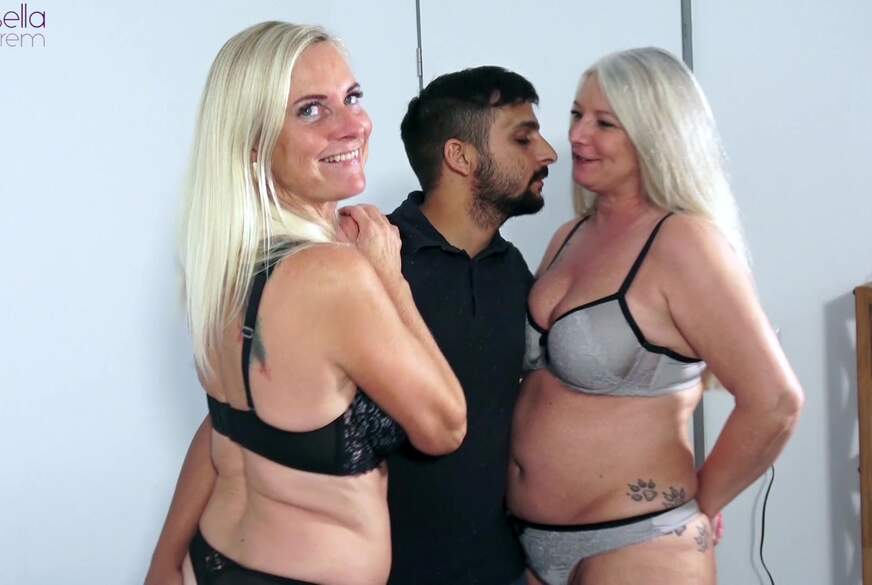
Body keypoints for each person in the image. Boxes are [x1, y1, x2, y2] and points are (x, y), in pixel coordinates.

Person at [154, 21, 466, 585]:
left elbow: (224, 428)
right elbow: (444, 426)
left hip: (211, 561)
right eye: (311, 110)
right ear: (254, 143)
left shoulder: (223, 266)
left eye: (352, 98)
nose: (353, 125)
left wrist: (164, 562)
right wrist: (389, 277)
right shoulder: (332, 276)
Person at [507, 47, 804, 585]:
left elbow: (776, 401)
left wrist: (703, 502)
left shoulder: (683, 242)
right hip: (530, 546)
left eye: (604, 123)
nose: (577, 136)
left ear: (655, 133)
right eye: (576, 114)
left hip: (639, 543)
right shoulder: (569, 236)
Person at [386, 67, 557, 585]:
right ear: (460, 156)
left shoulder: (514, 271)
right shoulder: (372, 261)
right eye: (523, 138)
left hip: (501, 570)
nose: (548, 153)